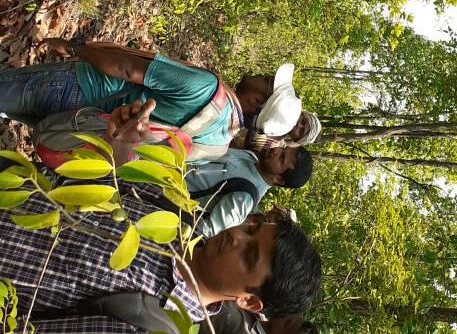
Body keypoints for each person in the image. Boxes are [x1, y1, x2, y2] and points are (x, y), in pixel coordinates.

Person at [0, 179, 322, 334]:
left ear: (249, 301)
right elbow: (85, 182)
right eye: (251, 228)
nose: (236, 237)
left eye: (249, 255)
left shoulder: (146, 332)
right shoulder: (173, 214)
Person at [32, 97, 314, 237]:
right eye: (282, 150)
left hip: (148, 194)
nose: (276, 150)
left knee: (86, 186)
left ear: (279, 180)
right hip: (153, 165)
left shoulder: (245, 198)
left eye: (281, 159)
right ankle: (48, 173)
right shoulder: (250, 159)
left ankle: (42, 189)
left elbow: (204, 233)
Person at [0, 39, 300, 161]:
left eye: (266, 80)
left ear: (257, 100)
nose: (261, 74)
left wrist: (74, 48)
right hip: (80, 130)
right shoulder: (217, 147)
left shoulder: (209, 89)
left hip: (80, 87)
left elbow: (127, 68)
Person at [233, 109, 322, 153]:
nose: (299, 125)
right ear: (301, 114)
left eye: (301, 131)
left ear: (296, 139)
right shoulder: (276, 107)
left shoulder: (274, 147)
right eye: (303, 121)